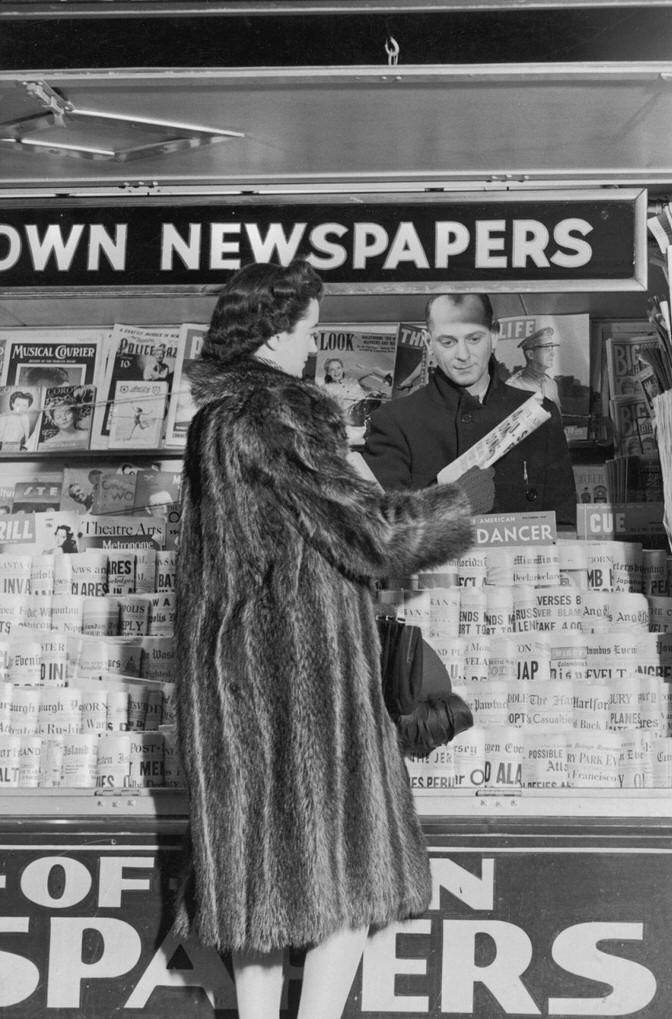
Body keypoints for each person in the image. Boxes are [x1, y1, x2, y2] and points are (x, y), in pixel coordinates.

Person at [170, 260, 495, 1019]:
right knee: (351, 886)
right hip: (307, 689)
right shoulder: (281, 414)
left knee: (253, 898)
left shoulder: (213, 422)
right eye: (309, 328)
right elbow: (373, 533)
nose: (311, 345)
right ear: (275, 331)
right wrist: (459, 503)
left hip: (232, 688)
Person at [363, 293, 578, 527]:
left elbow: (564, 527)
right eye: (448, 342)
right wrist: (451, 505)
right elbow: (378, 535)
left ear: (494, 336)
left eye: (474, 339)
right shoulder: (394, 421)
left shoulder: (540, 412)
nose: (463, 356)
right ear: (428, 343)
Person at [506, 325, 561, 405]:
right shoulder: (513, 386)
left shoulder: (551, 384)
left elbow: (557, 416)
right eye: (547, 349)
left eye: (552, 349)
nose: (553, 354)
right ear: (531, 355)